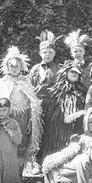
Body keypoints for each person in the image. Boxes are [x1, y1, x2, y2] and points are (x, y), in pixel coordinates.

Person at [0, 46, 43, 179]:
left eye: (17, 65)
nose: (14, 68)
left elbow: (33, 102)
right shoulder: (2, 83)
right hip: (8, 116)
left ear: (21, 66)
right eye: (11, 65)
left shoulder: (25, 81)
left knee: (22, 142)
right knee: (7, 142)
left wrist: (32, 118)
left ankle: (18, 172)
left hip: (23, 117)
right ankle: (7, 172)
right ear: (7, 66)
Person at [36, 63, 87, 173]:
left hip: (75, 128)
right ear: (66, 73)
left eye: (77, 73)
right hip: (57, 128)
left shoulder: (82, 91)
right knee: (56, 149)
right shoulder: (56, 91)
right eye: (72, 72)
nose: (75, 74)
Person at [29, 30, 61, 175]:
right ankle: (35, 162)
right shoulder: (35, 69)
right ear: (40, 53)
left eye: (50, 52)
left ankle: (49, 162)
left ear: (54, 53)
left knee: (51, 134)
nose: (47, 54)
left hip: (53, 107)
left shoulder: (59, 69)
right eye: (44, 52)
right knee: (36, 134)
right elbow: (29, 87)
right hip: (37, 107)